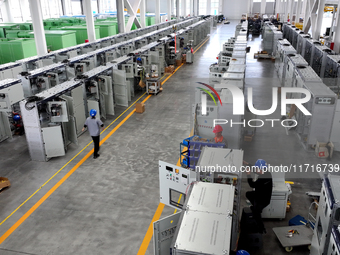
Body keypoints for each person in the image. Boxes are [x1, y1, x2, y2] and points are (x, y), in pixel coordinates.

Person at [244, 159, 273, 234]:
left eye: (257, 168)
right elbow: (255, 169)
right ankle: (255, 207)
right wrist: (247, 163)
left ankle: (262, 229)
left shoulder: (263, 178)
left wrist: (248, 174)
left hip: (263, 200)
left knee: (256, 212)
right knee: (248, 194)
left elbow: (252, 185)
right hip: (261, 195)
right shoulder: (267, 173)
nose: (255, 169)